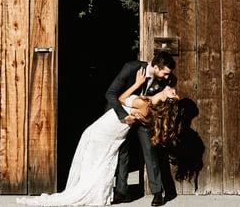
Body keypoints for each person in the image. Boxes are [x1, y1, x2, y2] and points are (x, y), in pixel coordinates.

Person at [17, 67, 179, 206]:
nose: (173, 89)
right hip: (114, 131)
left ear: (166, 98)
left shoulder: (144, 104)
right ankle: (98, 193)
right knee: (101, 161)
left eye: (173, 92)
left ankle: (86, 191)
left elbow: (121, 99)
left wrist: (137, 84)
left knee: (95, 160)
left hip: (106, 129)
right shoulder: (150, 106)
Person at [105, 53, 177, 206]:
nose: (166, 78)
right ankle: (121, 192)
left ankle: (157, 193)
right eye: (164, 73)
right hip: (122, 115)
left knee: (150, 151)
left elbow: (164, 97)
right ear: (156, 67)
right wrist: (124, 117)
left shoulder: (164, 81)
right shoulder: (131, 68)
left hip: (144, 118)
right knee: (122, 152)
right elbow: (111, 94)